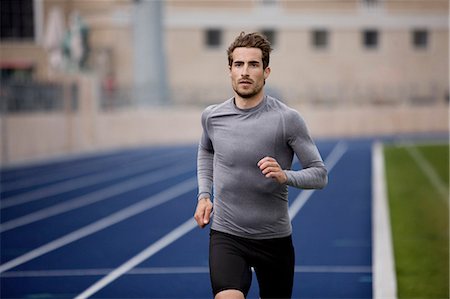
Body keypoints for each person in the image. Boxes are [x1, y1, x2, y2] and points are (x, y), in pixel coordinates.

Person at [194, 32, 328, 299]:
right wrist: (204, 195)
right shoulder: (212, 116)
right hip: (227, 234)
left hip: (274, 239)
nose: (245, 72)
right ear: (229, 70)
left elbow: (320, 174)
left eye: (253, 65)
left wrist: (284, 175)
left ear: (266, 71)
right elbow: (206, 149)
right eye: (239, 64)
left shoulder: (287, 119)